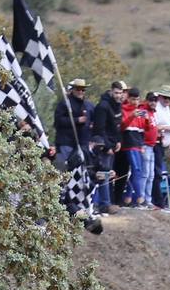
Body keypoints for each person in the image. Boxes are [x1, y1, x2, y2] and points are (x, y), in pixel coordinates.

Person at [91, 81, 124, 215]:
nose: (118, 95)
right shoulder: (103, 106)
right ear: (111, 91)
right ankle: (103, 204)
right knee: (103, 174)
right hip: (103, 145)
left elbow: (117, 126)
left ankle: (107, 203)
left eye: (120, 93)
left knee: (109, 175)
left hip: (113, 143)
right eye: (116, 93)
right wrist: (106, 147)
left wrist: (118, 141)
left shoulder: (117, 106)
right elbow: (99, 129)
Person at [53, 78, 94, 170]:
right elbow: (58, 121)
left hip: (82, 143)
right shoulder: (65, 104)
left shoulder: (89, 105)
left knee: (80, 169)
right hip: (66, 142)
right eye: (78, 89)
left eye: (83, 90)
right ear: (73, 90)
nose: (80, 92)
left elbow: (94, 120)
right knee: (65, 168)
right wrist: (77, 120)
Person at [120, 86, 148, 207]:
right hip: (129, 143)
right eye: (133, 99)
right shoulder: (123, 109)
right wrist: (132, 116)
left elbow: (146, 129)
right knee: (136, 170)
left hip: (139, 144)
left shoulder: (141, 111)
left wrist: (147, 120)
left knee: (139, 171)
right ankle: (140, 198)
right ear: (128, 98)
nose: (135, 102)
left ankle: (128, 197)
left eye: (137, 99)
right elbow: (122, 126)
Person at [153, 85, 170, 210]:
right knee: (156, 172)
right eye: (165, 97)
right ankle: (157, 201)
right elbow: (155, 126)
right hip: (156, 142)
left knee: (159, 172)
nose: (167, 100)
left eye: (169, 98)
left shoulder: (166, 109)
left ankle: (158, 200)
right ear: (160, 97)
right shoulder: (157, 108)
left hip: (163, 143)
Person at [140, 92, 159, 209]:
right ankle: (141, 199)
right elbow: (141, 126)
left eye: (155, 100)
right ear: (146, 100)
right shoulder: (143, 110)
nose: (153, 102)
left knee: (151, 175)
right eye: (151, 100)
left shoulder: (153, 113)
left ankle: (148, 200)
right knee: (145, 174)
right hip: (145, 145)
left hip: (152, 146)